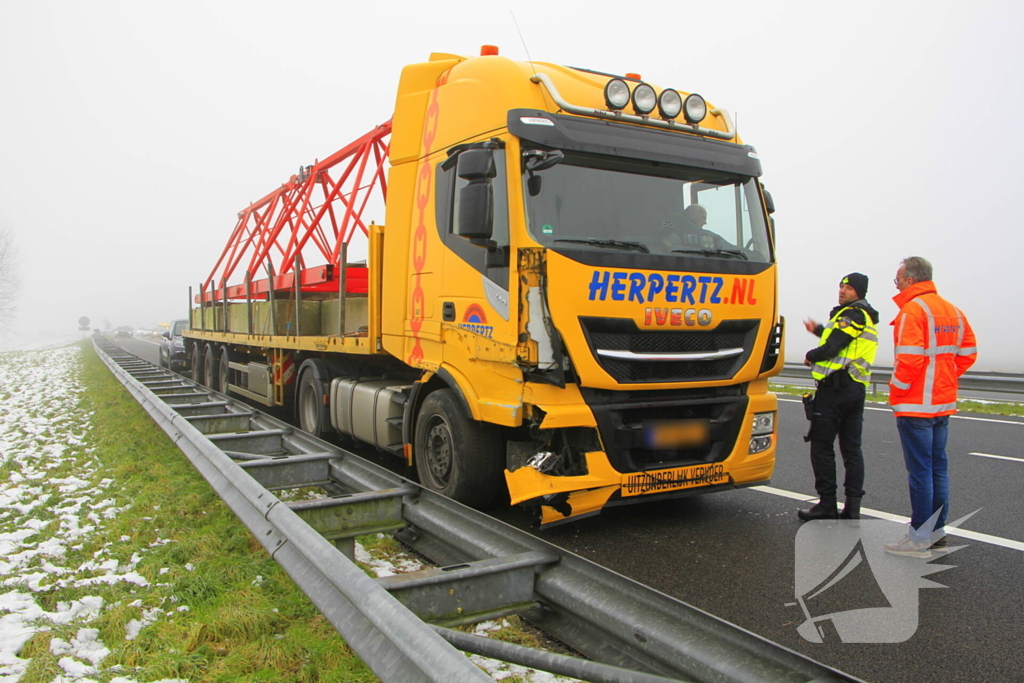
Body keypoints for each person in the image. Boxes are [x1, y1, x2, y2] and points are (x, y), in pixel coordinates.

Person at [884, 257, 977, 558]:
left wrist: (896, 389)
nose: (896, 285)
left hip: (915, 404)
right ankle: (936, 534)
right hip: (941, 403)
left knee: (921, 471)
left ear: (910, 280)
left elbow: (909, 359)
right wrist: (943, 378)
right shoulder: (952, 310)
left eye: (897, 280)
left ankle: (918, 538)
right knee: (938, 468)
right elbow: (968, 353)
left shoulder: (913, 310)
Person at [797, 273, 879, 522]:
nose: (842, 290)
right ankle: (853, 507)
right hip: (855, 389)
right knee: (852, 449)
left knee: (822, 447)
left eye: (849, 287)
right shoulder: (864, 317)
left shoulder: (851, 314)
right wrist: (819, 330)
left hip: (836, 390)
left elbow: (833, 347)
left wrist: (811, 354)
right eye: (841, 286)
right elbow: (844, 343)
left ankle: (827, 504)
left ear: (859, 292)